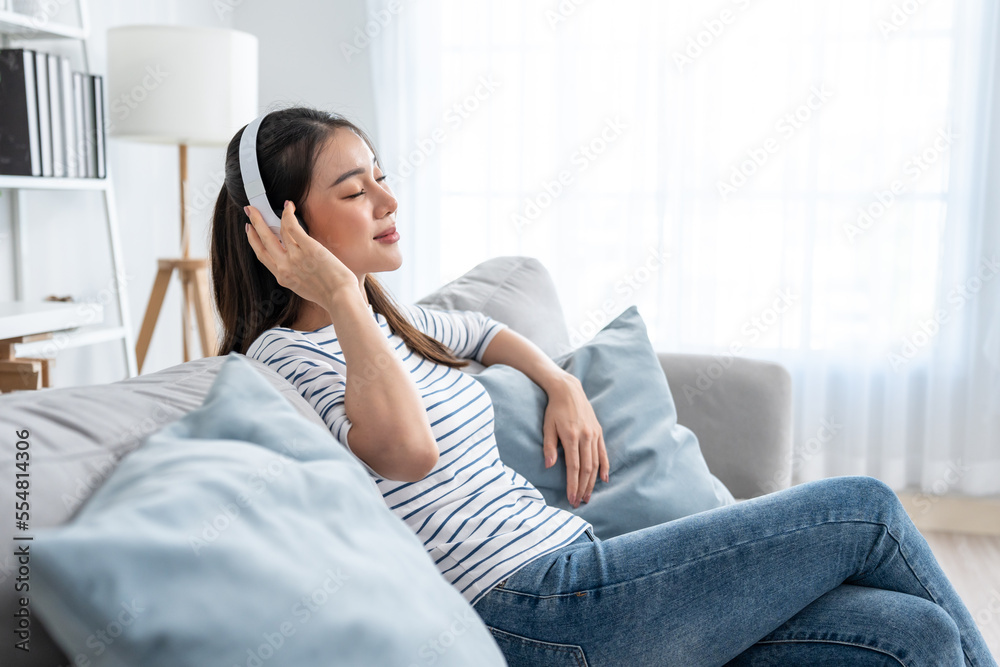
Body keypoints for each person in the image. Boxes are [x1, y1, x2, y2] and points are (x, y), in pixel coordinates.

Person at [209, 106, 997, 667]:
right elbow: (407, 452)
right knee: (865, 507)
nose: (386, 200)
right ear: (281, 230)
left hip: (594, 579)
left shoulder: (394, 320)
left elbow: (485, 332)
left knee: (914, 634)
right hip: (531, 614)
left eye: (381, 177)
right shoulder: (285, 359)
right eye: (354, 191)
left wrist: (560, 382)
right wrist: (340, 294)